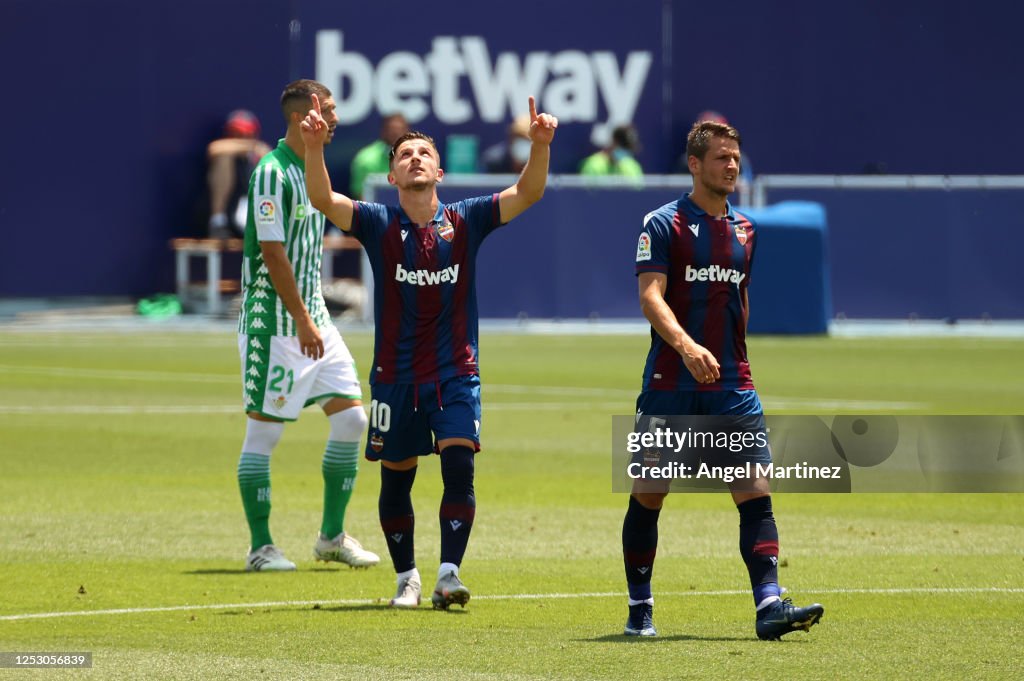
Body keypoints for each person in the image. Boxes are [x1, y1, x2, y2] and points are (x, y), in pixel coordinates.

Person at [301, 94, 558, 609]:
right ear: (392, 177)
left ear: (439, 170)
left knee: (459, 464)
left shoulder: (467, 220)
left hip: (456, 371)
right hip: (394, 377)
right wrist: (312, 147)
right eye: (404, 155)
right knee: (396, 477)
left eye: (422, 153)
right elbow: (325, 199)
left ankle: (447, 573)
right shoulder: (377, 223)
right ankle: (407, 578)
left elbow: (528, 192)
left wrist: (540, 146)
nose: (414, 158)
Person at [622, 120, 824, 639]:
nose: (731, 165)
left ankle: (769, 606)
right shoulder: (662, 224)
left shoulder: (745, 230)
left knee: (755, 491)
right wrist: (687, 346)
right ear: (694, 164)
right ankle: (640, 607)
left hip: (733, 384)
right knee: (649, 493)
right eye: (720, 158)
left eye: (735, 157)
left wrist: (738, 357)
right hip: (670, 379)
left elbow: (740, 298)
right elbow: (650, 296)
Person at [235, 79, 380, 572]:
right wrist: (300, 319)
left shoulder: (310, 169)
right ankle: (261, 547)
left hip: (313, 317)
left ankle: (331, 537)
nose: (338, 117)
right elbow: (272, 253)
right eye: (331, 109)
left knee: (351, 420)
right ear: (306, 115)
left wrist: (312, 316)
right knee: (264, 435)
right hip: (273, 323)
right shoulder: (271, 174)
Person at [207, 110, 271, 239]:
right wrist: (250, 146)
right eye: (235, 134)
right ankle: (217, 221)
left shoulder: (260, 154)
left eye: (245, 135)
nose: (240, 139)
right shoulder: (224, 151)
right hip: (228, 216)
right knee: (224, 158)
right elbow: (214, 149)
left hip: (254, 213)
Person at [349, 113, 409, 199]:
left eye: (400, 130)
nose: (396, 134)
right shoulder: (365, 160)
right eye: (392, 130)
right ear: (383, 131)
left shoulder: (420, 159)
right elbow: (362, 199)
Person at [578, 124, 643, 177]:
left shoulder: (632, 166)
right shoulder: (594, 165)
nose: (625, 151)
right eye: (623, 146)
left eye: (627, 148)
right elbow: (588, 191)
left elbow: (637, 191)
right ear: (614, 142)